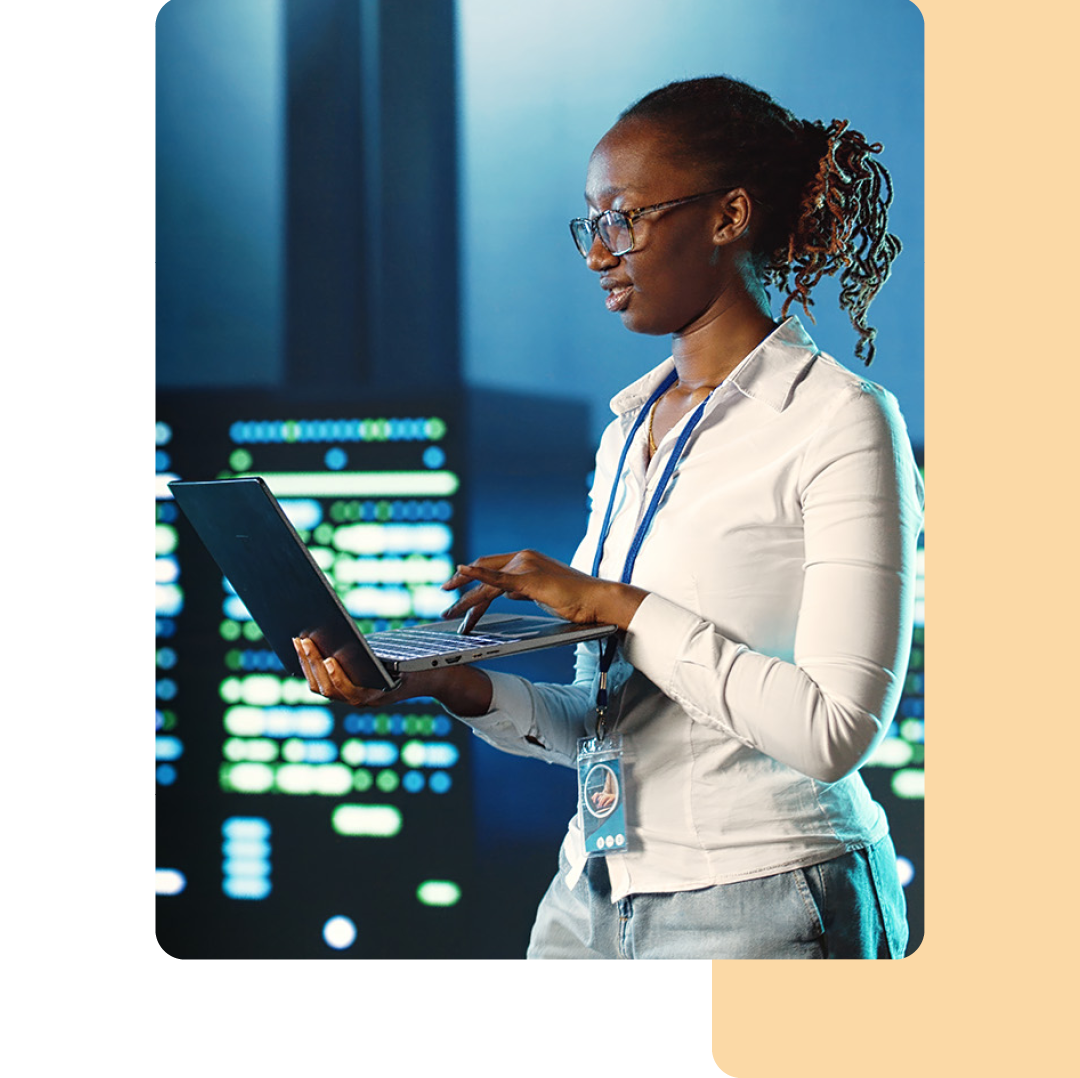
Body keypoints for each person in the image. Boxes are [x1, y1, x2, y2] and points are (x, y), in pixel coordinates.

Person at [294, 75, 924, 960]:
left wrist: (619, 605)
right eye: (590, 223)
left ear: (728, 214)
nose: (598, 251)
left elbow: (832, 733)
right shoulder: (630, 428)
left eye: (624, 218)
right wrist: (450, 685)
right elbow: (608, 724)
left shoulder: (838, 417)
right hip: (593, 891)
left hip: (768, 896)